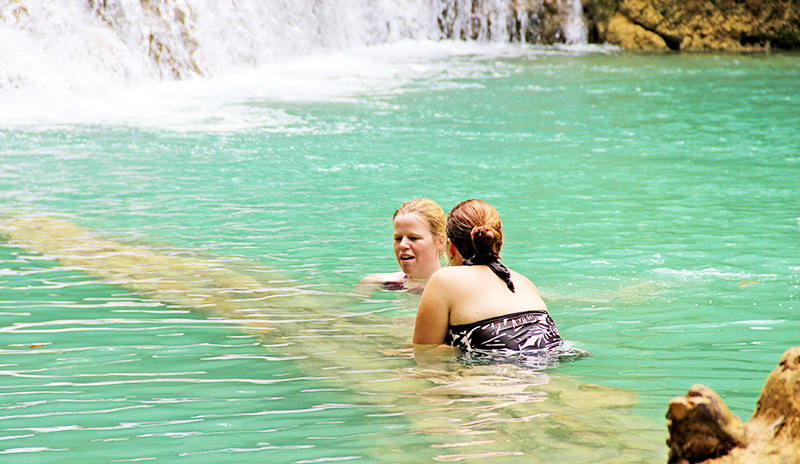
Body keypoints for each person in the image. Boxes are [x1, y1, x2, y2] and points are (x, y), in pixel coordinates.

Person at [412, 199, 562, 364]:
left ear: (451, 248)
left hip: (494, 377)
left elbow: (425, 353)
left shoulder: (444, 278)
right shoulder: (524, 281)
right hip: (547, 368)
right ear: (499, 243)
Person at [361, 198, 447, 293]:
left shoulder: (453, 288)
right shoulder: (378, 283)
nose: (402, 245)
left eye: (413, 238)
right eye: (398, 238)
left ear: (440, 241)